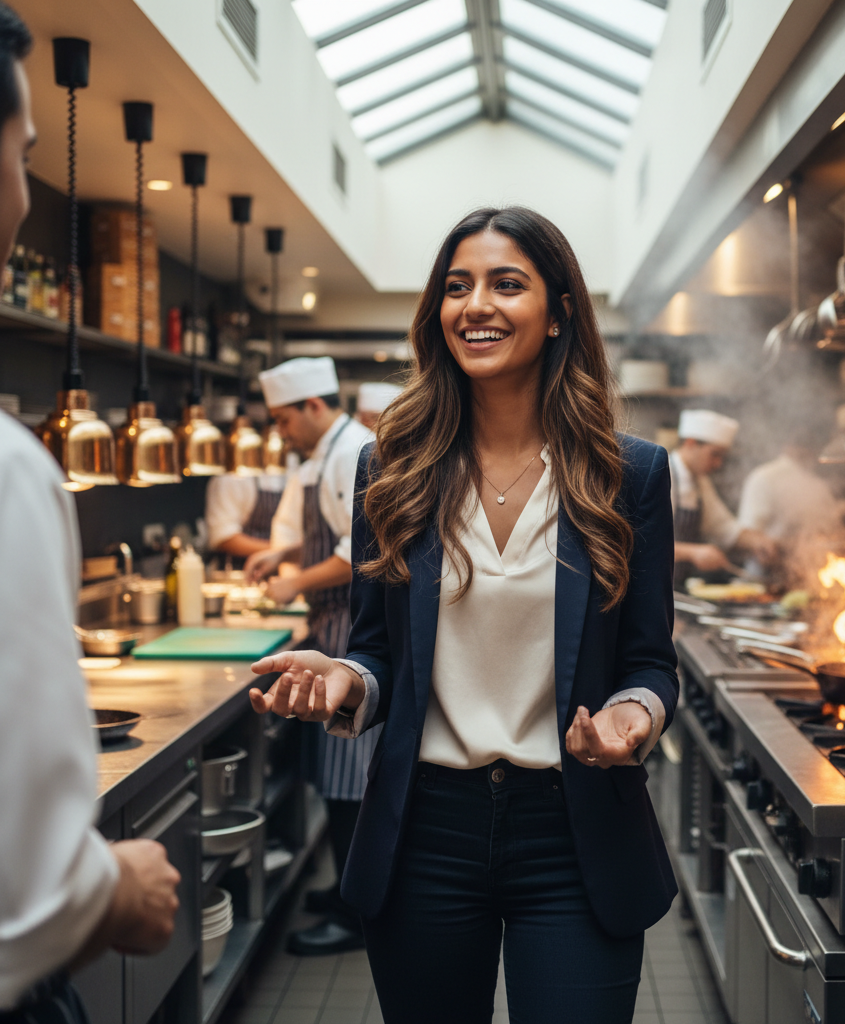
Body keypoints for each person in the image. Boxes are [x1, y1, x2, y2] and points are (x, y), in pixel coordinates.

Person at [247, 207, 680, 1023]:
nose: (475, 304)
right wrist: (343, 678)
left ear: (558, 313)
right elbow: (378, 651)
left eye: (505, 284)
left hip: (575, 827)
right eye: (457, 287)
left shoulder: (632, 475)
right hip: (425, 829)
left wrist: (631, 714)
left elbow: (652, 661)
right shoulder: (393, 466)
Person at [0, 7, 180, 1018]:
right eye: (22, 155)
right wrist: (118, 883)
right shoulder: (11, 470)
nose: (25, 194)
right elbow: (25, 888)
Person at [245, 357, 377, 956]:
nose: (279, 432)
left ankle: (357, 912)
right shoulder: (331, 453)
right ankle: (346, 888)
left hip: (352, 626)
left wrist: (292, 582)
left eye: (282, 420)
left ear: (314, 407)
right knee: (335, 772)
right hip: (333, 624)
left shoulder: (355, 453)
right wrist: (285, 555)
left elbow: (355, 553)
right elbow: (330, 528)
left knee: (351, 776)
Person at [669, 408, 776, 586]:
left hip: (677, 588)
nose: (718, 464)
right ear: (690, 443)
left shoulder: (700, 482)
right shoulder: (662, 473)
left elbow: (722, 527)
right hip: (650, 590)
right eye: (714, 454)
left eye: (722, 457)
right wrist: (693, 553)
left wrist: (757, 541)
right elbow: (641, 544)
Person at [736, 421, 845, 568]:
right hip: (768, 570)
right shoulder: (765, 477)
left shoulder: (816, 482)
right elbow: (748, 533)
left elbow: (829, 527)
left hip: (809, 566)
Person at [205, 472, 287, 559]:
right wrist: (282, 551)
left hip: (283, 567)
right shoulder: (231, 478)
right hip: (237, 567)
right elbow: (225, 538)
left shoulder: (289, 472)